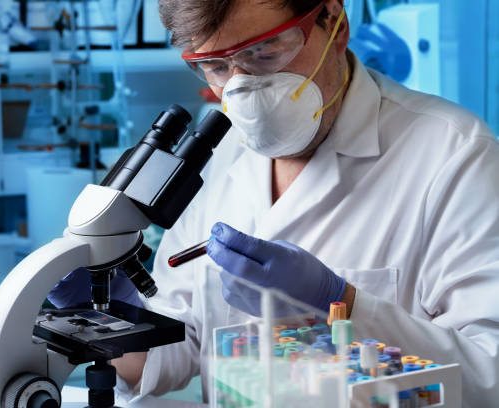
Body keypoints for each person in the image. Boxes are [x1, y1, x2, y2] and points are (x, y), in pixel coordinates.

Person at [50, 0, 499, 405]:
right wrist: (106, 326)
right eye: (216, 66)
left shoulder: (455, 154)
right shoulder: (219, 158)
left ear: (335, 24)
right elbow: (176, 350)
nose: (242, 89)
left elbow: (490, 376)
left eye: (264, 53)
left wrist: (339, 304)